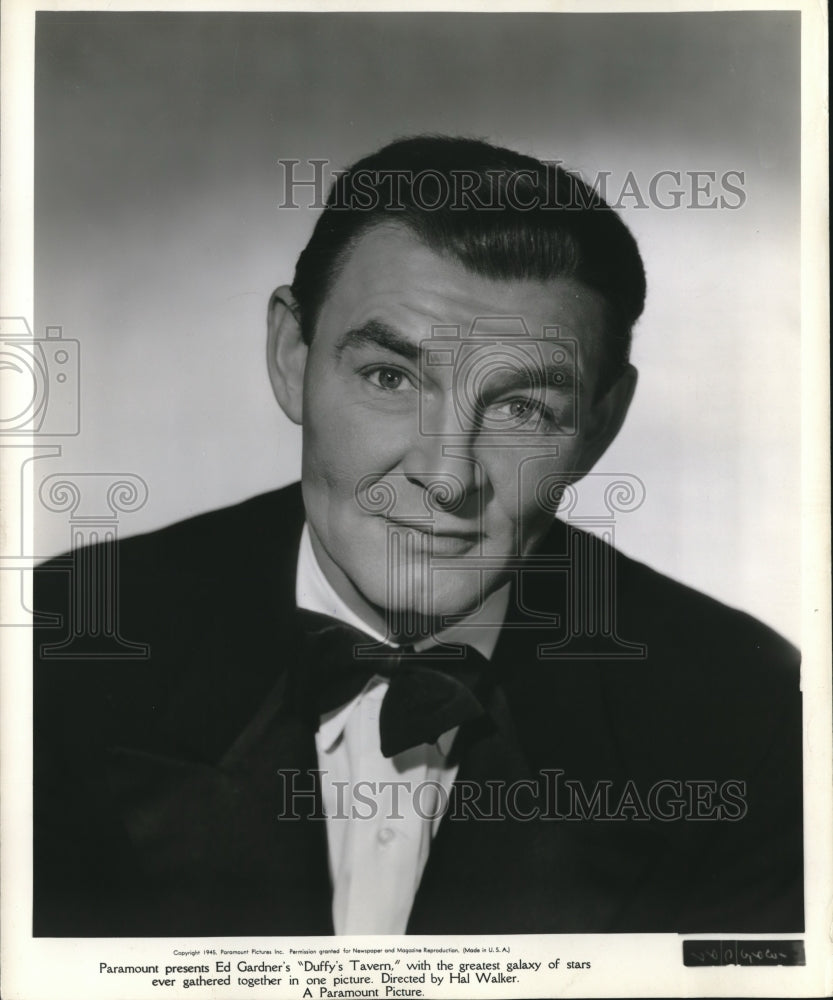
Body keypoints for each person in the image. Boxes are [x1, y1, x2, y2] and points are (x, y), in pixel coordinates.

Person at [33, 135, 803, 937]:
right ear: (292, 357)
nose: (444, 475)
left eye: (520, 408)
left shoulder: (744, 720)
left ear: (600, 425)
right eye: (389, 378)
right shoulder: (51, 650)